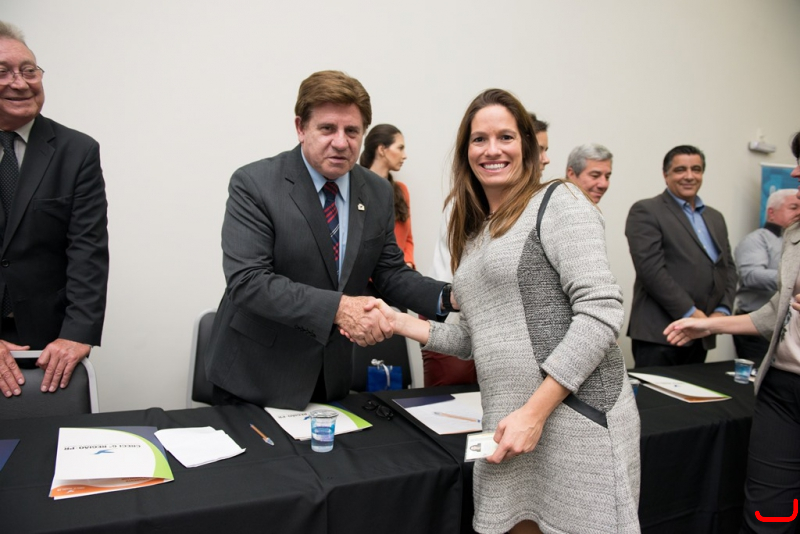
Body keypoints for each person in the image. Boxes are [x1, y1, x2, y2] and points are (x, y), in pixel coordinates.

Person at [372, 89, 640, 534]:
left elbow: (601, 313)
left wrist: (534, 413)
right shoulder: (473, 233)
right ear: (466, 152)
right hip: (508, 422)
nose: (492, 149)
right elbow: (472, 337)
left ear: (528, 147)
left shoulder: (559, 202)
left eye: (506, 137)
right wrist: (396, 321)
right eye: (479, 139)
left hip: (574, 419)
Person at [205, 70, 448, 410]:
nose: (341, 142)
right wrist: (340, 309)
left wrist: (448, 297)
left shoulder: (377, 192)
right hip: (254, 378)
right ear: (300, 128)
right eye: (327, 129)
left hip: (329, 378)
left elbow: (390, 273)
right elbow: (248, 282)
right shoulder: (255, 184)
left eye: (352, 131)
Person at [664, 131, 800, 534]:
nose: (795, 173)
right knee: (768, 512)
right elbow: (774, 313)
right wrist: (707, 323)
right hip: (781, 390)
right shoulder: (794, 235)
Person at [0, 21, 109, 400]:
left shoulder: (76, 151)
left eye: (28, 70)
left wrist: (77, 333)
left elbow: (87, 249)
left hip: (47, 340)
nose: (20, 83)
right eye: (3, 72)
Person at [422, 112, 550, 387]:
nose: (545, 158)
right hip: (456, 320)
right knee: (454, 403)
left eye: (505, 138)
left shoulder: (543, 206)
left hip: (493, 331)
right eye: (541, 149)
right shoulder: (468, 206)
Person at [625, 145, 737, 367]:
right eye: (680, 170)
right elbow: (650, 271)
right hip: (661, 333)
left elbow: (728, 268)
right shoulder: (646, 210)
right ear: (665, 175)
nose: (689, 176)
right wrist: (693, 315)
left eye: (696, 169)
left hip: (702, 333)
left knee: (696, 390)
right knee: (655, 391)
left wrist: (721, 313)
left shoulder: (715, 217)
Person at [733, 189, 800, 364]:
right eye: (793, 207)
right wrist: (792, 279)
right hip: (755, 324)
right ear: (771, 212)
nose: (799, 212)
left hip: (790, 326)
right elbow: (752, 276)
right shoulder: (756, 239)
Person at [359, 124, 415, 268]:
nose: (405, 156)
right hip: (366, 277)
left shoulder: (401, 191)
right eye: (400, 148)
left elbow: (408, 238)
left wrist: (407, 263)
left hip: (399, 275)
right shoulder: (356, 189)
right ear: (382, 150)